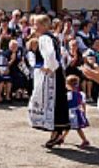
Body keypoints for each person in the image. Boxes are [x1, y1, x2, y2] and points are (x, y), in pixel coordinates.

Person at [27, 14, 70, 148]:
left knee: (53, 102)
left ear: (44, 26)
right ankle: (56, 133)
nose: (34, 27)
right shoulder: (51, 37)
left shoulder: (45, 38)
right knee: (57, 102)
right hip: (56, 73)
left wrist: (48, 67)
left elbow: (51, 55)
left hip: (52, 75)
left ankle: (56, 133)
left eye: (36, 24)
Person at [60, 74, 90, 147]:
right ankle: (62, 138)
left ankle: (85, 140)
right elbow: (83, 104)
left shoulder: (69, 94)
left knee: (77, 128)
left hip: (72, 113)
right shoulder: (81, 94)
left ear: (68, 85)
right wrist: (84, 112)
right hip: (77, 111)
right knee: (69, 126)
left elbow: (65, 104)